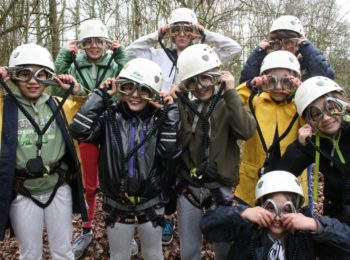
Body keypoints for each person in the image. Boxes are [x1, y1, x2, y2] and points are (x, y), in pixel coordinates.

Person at [127, 7, 242, 245]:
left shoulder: (204, 54)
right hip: (165, 114)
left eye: (187, 29)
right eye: (176, 29)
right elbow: (131, 52)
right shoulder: (159, 55)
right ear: (169, 32)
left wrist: (205, 33)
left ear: (193, 32)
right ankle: (167, 213)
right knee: (165, 167)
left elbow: (234, 48)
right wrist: (156, 35)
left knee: (190, 163)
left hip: (197, 113)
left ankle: (205, 213)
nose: (181, 34)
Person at [69, 58, 181, 260]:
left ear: (154, 92)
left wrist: (169, 111)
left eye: (144, 90)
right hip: (116, 200)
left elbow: (170, 152)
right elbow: (79, 130)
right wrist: (100, 95)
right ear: (120, 88)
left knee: (153, 253)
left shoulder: (159, 118)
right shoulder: (109, 116)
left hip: (151, 199)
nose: (135, 96)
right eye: (128, 87)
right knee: (119, 255)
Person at [0, 43, 87, 259]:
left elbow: (90, 110)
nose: (32, 81)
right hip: (23, 191)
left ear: (49, 77)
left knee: (63, 250)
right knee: (30, 253)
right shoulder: (4, 106)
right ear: (13, 76)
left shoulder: (60, 104)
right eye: (24, 73)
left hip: (58, 187)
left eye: (40, 75)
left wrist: (78, 91)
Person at [170, 43, 256, 260]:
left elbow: (246, 131)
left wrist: (230, 92)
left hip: (220, 187)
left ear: (216, 76)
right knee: (189, 248)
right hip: (189, 187)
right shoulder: (188, 105)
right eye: (192, 81)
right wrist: (177, 102)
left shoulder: (227, 104)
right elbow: (181, 141)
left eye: (206, 78)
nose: (200, 86)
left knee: (224, 246)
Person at [54, 18, 130, 258]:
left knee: (117, 176)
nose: (95, 46)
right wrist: (65, 57)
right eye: (89, 42)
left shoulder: (114, 64)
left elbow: (128, 79)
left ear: (106, 44)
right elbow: (56, 86)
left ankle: (120, 227)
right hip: (86, 128)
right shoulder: (76, 66)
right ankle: (87, 228)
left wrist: (121, 54)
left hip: (112, 126)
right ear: (83, 45)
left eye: (99, 42)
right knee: (89, 182)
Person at [200, 170, 350, 259]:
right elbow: (208, 225)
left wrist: (316, 225)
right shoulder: (248, 229)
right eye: (271, 208)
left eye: (286, 209)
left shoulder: (305, 236)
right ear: (260, 207)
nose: (278, 217)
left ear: (297, 211)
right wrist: (242, 213)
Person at [234, 50, 308, 207]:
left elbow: (313, 119)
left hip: (289, 179)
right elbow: (232, 103)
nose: (279, 87)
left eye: (286, 82)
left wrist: (304, 91)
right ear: (263, 80)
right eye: (272, 81)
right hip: (253, 179)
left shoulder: (299, 106)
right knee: (250, 226)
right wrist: (250, 85)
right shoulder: (255, 101)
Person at [277, 76, 350, 225]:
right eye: (316, 114)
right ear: (309, 120)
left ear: (341, 105)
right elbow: (282, 174)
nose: (326, 118)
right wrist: (299, 146)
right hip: (338, 219)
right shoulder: (314, 144)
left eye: (331, 108)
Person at [239, 15, 335, 84]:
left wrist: (307, 46)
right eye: (277, 44)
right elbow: (245, 83)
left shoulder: (307, 62)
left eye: (288, 43)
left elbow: (326, 78)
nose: (282, 48)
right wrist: (258, 52)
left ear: (298, 44)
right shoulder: (268, 63)